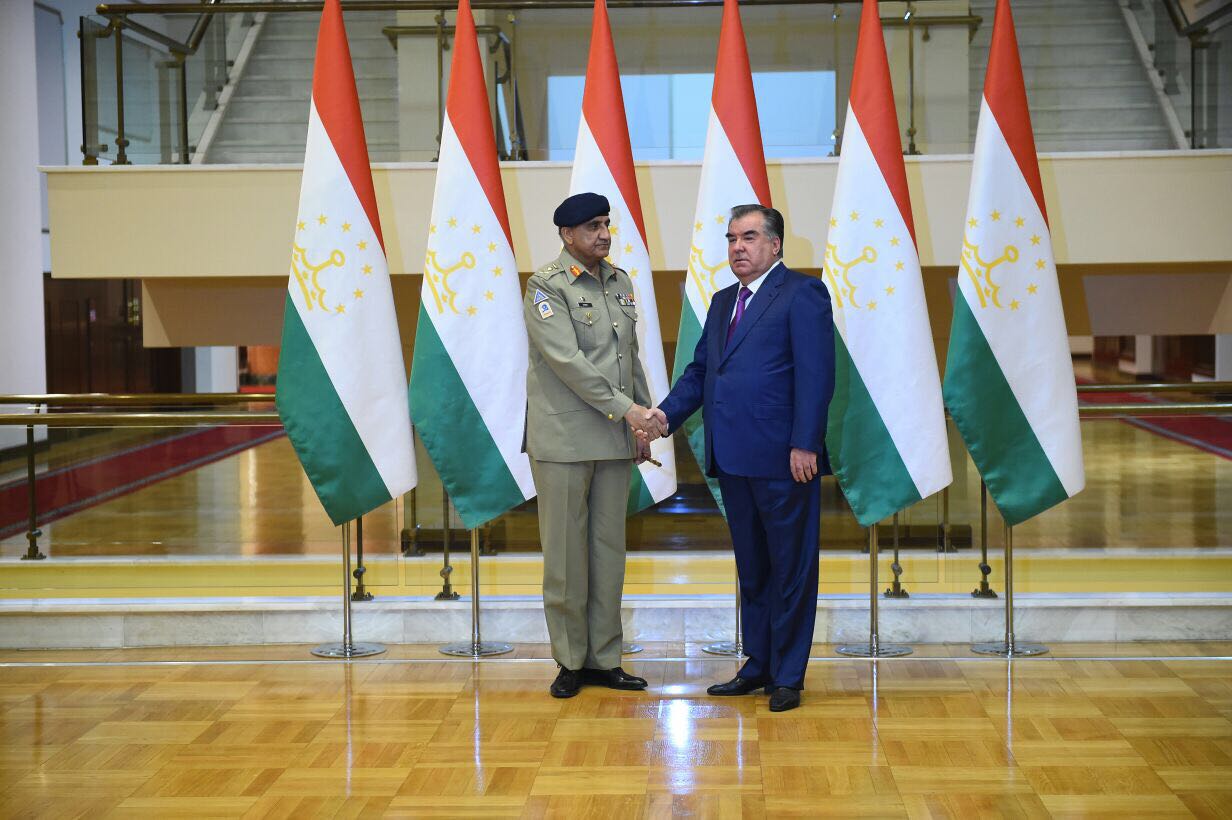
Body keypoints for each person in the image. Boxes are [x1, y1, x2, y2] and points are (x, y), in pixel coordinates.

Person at [652, 204, 835, 712]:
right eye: (731, 238)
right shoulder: (721, 301)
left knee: (791, 568)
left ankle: (788, 675)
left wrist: (806, 443)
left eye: (749, 237)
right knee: (753, 568)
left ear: (775, 244)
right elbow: (701, 372)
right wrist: (664, 416)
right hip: (733, 458)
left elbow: (817, 376)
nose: (737, 247)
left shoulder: (803, 294)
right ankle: (758, 663)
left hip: (785, 459)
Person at [523, 192, 660, 699]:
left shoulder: (619, 281)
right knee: (565, 559)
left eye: (606, 224)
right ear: (566, 235)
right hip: (563, 440)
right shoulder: (546, 285)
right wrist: (629, 411)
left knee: (608, 554)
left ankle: (605, 660)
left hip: (613, 438)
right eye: (592, 227)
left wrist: (641, 425)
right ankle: (569, 661)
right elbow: (567, 362)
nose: (603, 234)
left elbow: (630, 359)